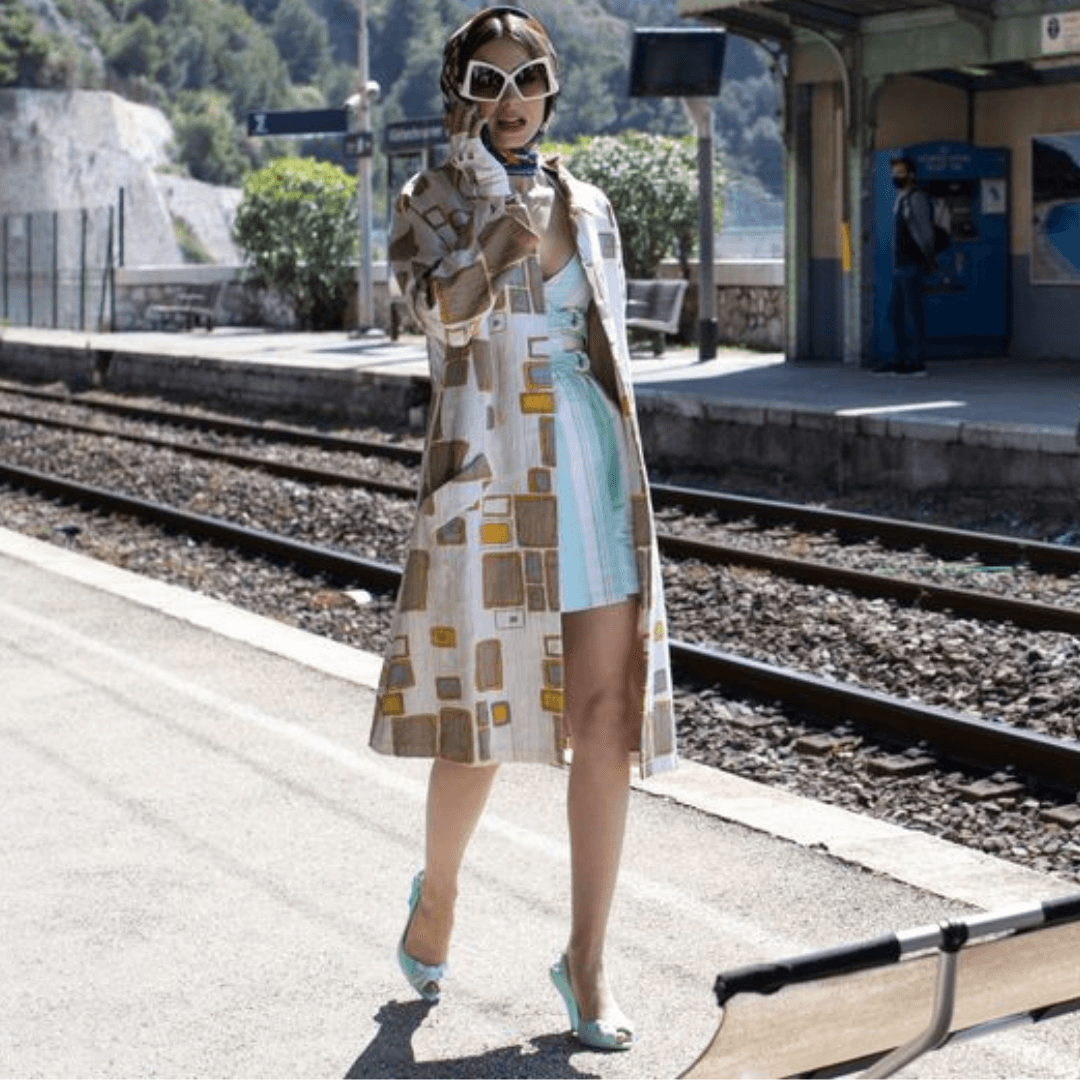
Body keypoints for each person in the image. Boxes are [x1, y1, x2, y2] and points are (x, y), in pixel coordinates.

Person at [368, 4, 676, 1053]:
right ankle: (439, 891)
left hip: (587, 463)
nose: (511, 100)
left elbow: (606, 347)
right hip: (493, 471)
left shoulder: (589, 202)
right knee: (482, 723)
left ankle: (586, 961)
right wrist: (497, 213)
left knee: (607, 723)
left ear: (553, 87)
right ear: (458, 93)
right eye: (488, 81)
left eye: (528, 77)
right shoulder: (429, 197)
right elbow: (446, 318)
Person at [875, 155, 936, 376]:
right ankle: (900, 358)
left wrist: (929, 259)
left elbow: (926, 232)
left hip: (912, 263)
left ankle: (917, 362)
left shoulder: (916, 198)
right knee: (895, 314)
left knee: (913, 315)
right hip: (899, 264)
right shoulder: (900, 198)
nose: (896, 177)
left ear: (911, 174)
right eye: (894, 173)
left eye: (900, 172)